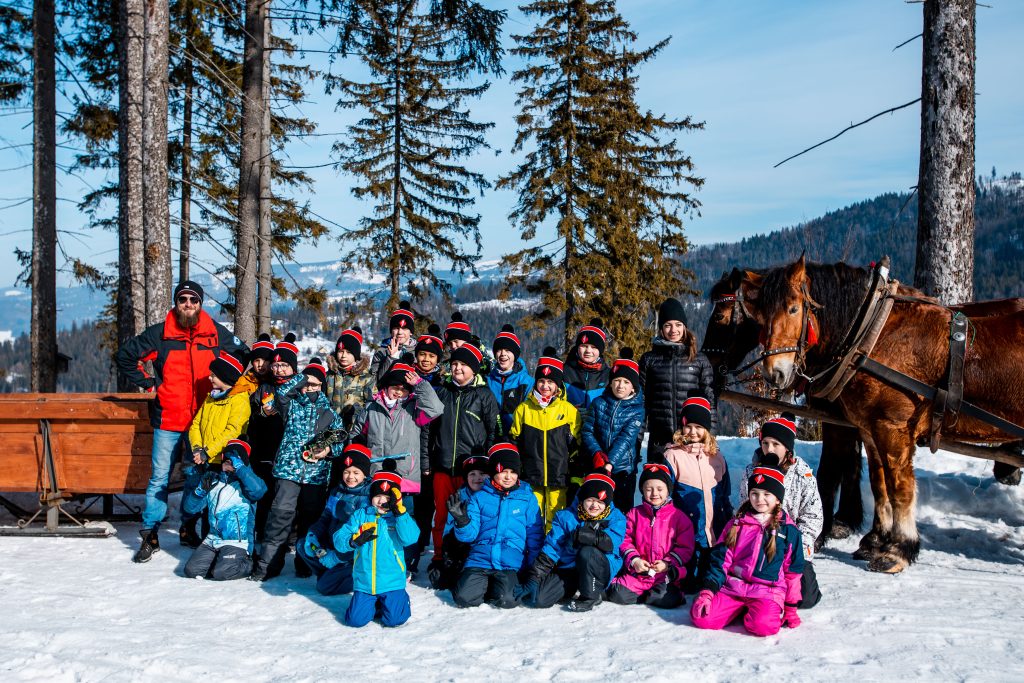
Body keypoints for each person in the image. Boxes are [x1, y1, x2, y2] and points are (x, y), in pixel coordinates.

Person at [115, 280, 248, 563]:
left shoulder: (214, 333)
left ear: (200, 303)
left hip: (202, 421)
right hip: (168, 418)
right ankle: (150, 534)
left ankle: (188, 528)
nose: (188, 304)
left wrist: (226, 389)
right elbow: (125, 356)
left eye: (193, 300)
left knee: (195, 477)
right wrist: (149, 383)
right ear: (176, 303)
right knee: (159, 478)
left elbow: (243, 354)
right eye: (183, 299)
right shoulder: (160, 334)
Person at [251, 357, 344, 581]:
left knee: (310, 521)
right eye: (306, 384)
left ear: (322, 386)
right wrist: (302, 377)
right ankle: (267, 566)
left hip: (315, 475)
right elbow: (281, 393)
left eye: (315, 384)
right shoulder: (290, 405)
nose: (309, 388)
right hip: (288, 472)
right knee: (279, 518)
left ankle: (305, 564)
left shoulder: (331, 413)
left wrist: (327, 450)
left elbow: (339, 441)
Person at [691, 465, 805, 637]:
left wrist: (790, 608)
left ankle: (754, 611)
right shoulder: (737, 523)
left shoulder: (788, 530)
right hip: (733, 587)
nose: (759, 499)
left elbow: (793, 572)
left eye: (767, 494)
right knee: (702, 617)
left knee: (764, 626)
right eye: (754, 493)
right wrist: (708, 592)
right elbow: (721, 560)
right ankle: (737, 609)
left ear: (778, 499)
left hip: (767, 592)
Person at [352, 361, 444, 574]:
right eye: (395, 386)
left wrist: (420, 384)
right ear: (386, 386)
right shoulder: (372, 407)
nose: (399, 391)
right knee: (376, 519)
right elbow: (357, 434)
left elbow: (437, 408)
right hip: (376, 475)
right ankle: (374, 562)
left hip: (405, 477)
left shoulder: (414, 408)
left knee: (404, 523)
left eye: (404, 388)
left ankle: (407, 564)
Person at [739, 413, 823, 609]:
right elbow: (744, 508)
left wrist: (797, 550)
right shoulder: (752, 472)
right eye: (765, 443)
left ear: (787, 448)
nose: (769, 449)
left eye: (776, 444)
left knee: (805, 598)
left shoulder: (803, 475)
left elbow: (812, 517)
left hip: (791, 546)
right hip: (759, 542)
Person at [428, 342, 500, 571]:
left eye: (463, 364)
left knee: (470, 515)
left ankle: (467, 559)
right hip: (443, 467)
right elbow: (429, 429)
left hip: (471, 472)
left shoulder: (484, 395)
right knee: (442, 515)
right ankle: (439, 557)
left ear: (474, 369)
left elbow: (494, 431)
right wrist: (428, 460)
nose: (457, 368)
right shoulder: (442, 392)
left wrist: (487, 465)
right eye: (455, 363)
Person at [449, 443, 544, 608]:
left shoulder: (527, 498)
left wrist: (532, 571)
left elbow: (534, 535)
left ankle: (496, 587)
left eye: (513, 472)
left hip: (510, 561)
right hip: (481, 559)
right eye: (503, 471)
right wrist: (462, 521)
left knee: (508, 600)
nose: (508, 477)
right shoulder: (479, 497)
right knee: (463, 598)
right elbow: (470, 536)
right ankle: (483, 585)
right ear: (494, 472)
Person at [517, 472, 627, 612]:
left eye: (600, 502)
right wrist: (534, 578)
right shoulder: (565, 517)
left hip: (599, 569)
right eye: (590, 500)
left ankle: (591, 596)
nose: (595, 506)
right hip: (570, 567)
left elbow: (611, 542)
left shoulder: (616, 518)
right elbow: (552, 547)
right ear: (582, 498)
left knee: (587, 552)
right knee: (540, 599)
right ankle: (572, 588)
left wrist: (586, 535)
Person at [180, 350, 253, 547]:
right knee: (204, 503)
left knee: (217, 504)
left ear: (226, 377)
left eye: (214, 375)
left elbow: (233, 431)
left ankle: (220, 543)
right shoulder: (211, 397)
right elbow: (196, 425)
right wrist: (197, 448)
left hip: (222, 462)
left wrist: (208, 451)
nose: (209, 378)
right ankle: (206, 542)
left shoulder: (239, 400)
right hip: (205, 460)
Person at [334, 461, 419, 628]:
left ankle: (398, 600)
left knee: (394, 620)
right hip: (365, 582)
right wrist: (352, 541)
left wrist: (400, 513)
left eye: (387, 498)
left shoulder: (399, 517)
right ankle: (374, 603)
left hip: (391, 581)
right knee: (355, 621)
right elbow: (339, 539)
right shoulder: (361, 515)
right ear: (371, 496)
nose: (382, 501)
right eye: (378, 496)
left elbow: (411, 538)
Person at [663, 394, 731, 591]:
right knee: (688, 583)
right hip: (687, 534)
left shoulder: (716, 457)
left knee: (712, 580)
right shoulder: (673, 456)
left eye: (699, 427)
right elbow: (666, 497)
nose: (693, 432)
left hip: (714, 533)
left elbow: (724, 495)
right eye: (689, 426)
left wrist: (729, 523)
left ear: (707, 430)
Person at [509, 349, 582, 528]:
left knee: (557, 518)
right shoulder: (524, 409)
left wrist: (573, 470)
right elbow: (514, 440)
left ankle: (553, 546)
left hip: (559, 476)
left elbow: (577, 445)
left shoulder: (568, 410)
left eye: (550, 382)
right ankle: (534, 545)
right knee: (533, 518)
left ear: (558, 385)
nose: (545, 386)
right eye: (541, 381)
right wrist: (519, 467)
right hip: (532, 475)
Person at [605, 463, 694, 609]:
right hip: (638, 573)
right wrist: (634, 560)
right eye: (648, 489)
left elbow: (685, 547)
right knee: (617, 594)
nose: (654, 493)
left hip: (664, 575)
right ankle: (645, 593)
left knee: (667, 598)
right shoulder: (634, 514)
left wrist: (667, 563)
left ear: (668, 490)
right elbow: (624, 540)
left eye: (660, 489)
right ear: (642, 490)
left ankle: (655, 594)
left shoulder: (678, 517)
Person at [639, 297, 715, 464]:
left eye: (678, 324)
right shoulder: (649, 360)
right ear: (661, 328)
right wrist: (636, 443)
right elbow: (641, 403)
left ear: (684, 327)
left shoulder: (699, 360)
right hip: (660, 441)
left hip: (691, 440)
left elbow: (710, 402)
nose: (673, 330)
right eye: (668, 325)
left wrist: (710, 439)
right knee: (658, 481)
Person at [181, 440, 267, 581]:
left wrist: (240, 468)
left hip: (237, 541)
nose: (229, 463)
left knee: (222, 572)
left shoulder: (246, 484)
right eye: (226, 459)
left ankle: (250, 563)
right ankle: (221, 560)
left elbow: (259, 491)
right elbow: (189, 509)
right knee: (191, 570)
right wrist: (199, 492)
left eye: (233, 460)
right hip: (213, 539)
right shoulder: (214, 480)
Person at [296, 444, 373, 596]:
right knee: (302, 545)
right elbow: (326, 517)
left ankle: (358, 578)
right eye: (346, 472)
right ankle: (331, 574)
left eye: (356, 472)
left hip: (351, 553)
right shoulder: (337, 491)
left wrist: (338, 557)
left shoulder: (368, 497)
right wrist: (313, 534)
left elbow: (362, 538)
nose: (350, 477)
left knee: (324, 587)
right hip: (333, 545)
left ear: (364, 474)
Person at [582, 347, 645, 511]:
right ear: (610, 383)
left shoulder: (636, 410)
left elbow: (626, 438)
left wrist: (609, 462)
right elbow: (587, 431)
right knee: (597, 506)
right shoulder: (599, 403)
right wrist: (597, 453)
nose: (620, 386)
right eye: (617, 380)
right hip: (597, 463)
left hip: (622, 468)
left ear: (633, 387)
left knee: (621, 508)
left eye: (626, 382)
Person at [247, 333, 295, 542]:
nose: (278, 369)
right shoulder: (265, 388)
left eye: (284, 365)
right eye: (275, 365)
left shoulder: (299, 388)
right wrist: (262, 413)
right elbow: (252, 414)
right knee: (265, 493)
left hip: (289, 451)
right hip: (264, 449)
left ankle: (287, 535)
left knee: (285, 497)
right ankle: (261, 532)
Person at [427, 452, 489, 591]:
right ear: (466, 478)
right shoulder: (459, 498)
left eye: (482, 473)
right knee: (442, 581)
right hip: (464, 549)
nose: (477, 478)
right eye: (472, 474)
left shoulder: (495, 497)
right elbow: (448, 530)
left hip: (487, 550)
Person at [410, 324, 446, 570]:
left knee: (427, 501)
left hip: (432, 448)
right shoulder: (406, 377)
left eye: (431, 356)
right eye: (422, 354)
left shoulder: (442, 383)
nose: (426, 359)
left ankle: (423, 541)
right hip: (409, 444)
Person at [324, 326, 374, 437]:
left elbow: (371, 405)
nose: (343, 356)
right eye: (340, 351)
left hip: (355, 432)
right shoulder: (329, 376)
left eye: (348, 352)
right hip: (331, 431)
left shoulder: (366, 378)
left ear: (355, 354)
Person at [485, 324, 533, 440]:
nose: (503, 354)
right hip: (492, 440)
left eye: (507, 350)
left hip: (516, 441)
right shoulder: (488, 381)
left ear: (515, 354)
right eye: (499, 350)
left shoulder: (527, 383)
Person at [562, 319, 610, 411]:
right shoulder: (564, 371)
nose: (588, 351)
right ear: (577, 347)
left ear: (600, 350)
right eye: (584, 346)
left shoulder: (608, 376)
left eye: (593, 347)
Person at [369, 301, 417, 387]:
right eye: (396, 328)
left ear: (411, 332)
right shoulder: (381, 352)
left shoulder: (418, 352)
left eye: (404, 329)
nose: (400, 332)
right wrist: (391, 358)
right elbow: (375, 382)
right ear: (391, 331)